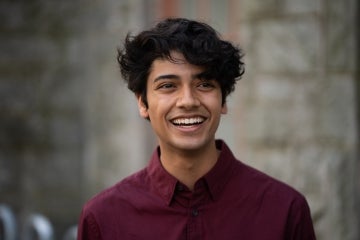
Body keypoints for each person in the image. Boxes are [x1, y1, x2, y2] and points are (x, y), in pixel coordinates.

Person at [77, 18, 316, 240]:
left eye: (204, 84)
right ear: (142, 102)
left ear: (223, 100)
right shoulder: (104, 219)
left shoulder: (284, 210)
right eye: (168, 85)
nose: (188, 101)